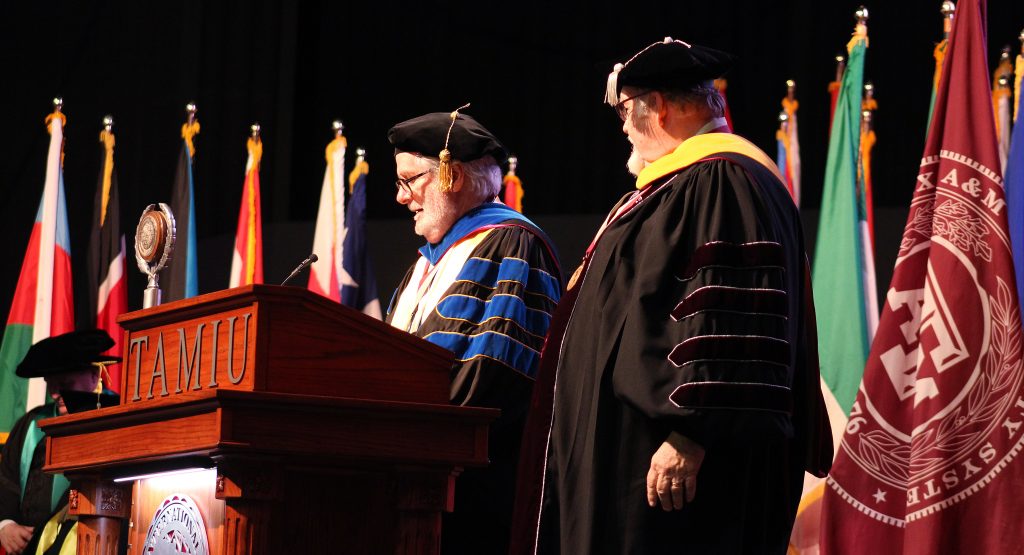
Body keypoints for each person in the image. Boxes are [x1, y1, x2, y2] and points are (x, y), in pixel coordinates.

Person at [513, 38, 833, 554]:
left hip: (674, 466)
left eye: (624, 112)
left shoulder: (724, 179)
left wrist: (692, 433)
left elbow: (728, 316)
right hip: (636, 458)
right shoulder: (679, 183)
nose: (621, 127)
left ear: (658, 107)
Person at [385, 109, 563, 554]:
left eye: (409, 181)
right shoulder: (426, 264)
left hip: (473, 487)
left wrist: (406, 438)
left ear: (453, 176)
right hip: (413, 479)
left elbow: (494, 375)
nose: (401, 197)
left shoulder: (510, 244)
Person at [0, 330, 118, 555]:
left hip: (94, 542)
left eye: (65, 383)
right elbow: (6, 480)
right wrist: (5, 524)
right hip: (29, 547)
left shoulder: (117, 419)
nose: (55, 394)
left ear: (94, 375)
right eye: (50, 385)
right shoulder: (32, 423)